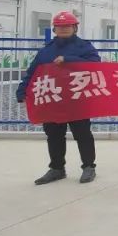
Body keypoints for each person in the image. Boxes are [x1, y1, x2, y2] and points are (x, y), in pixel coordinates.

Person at [16, 11, 101, 185]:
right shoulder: (46, 50)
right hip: (53, 99)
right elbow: (33, 72)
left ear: (75, 28)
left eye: (67, 26)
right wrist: (22, 90)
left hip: (77, 99)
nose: (63, 29)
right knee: (54, 135)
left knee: (83, 134)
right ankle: (57, 168)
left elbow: (95, 65)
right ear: (54, 29)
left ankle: (88, 167)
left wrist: (68, 59)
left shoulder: (84, 47)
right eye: (59, 26)